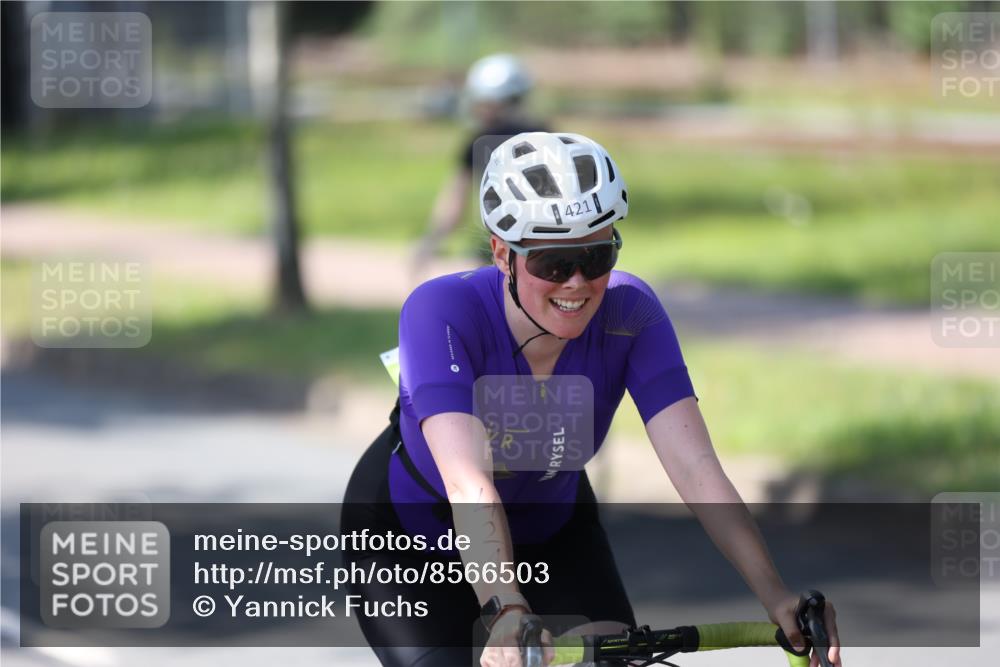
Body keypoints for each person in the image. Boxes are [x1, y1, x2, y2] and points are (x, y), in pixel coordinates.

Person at [343, 132, 842, 667]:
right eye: (554, 263)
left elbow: (698, 471)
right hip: (413, 538)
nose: (578, 283)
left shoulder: (631, 312)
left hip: (551, 530)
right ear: (501, 253)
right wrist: (506, 604)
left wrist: (774, 594)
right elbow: (468, 482)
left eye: (597, 255)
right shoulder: (441, 310)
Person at [412, 54, 547, 273]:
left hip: (496, 248)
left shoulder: (480, 140)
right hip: (547, 247)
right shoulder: (546, 135)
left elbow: (455, 202)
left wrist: (430, 242)